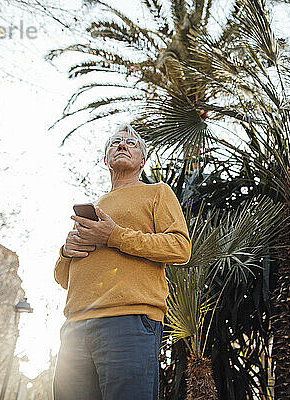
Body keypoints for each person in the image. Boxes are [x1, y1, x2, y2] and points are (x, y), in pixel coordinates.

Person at [52, 123, 192, 400]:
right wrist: (66, 252)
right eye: (115, 142)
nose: (122, 145)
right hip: (75, 326)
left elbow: (180, 248)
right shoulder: (94, 209)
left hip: (129, 321)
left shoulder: (157, 193)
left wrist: (115, 235)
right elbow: (63, 278)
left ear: (142, 160)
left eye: (132, 143)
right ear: (105, 159)